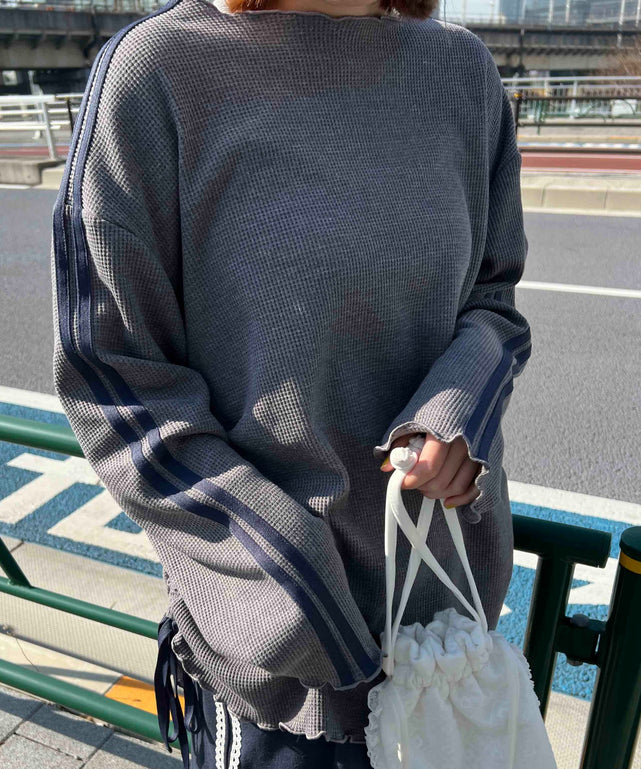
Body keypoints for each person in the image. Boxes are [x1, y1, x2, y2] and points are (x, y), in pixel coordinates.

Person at [50, 0, 530, 765]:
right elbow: (115, 374)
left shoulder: (461, 72)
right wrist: (292, 586)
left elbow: (492, 296)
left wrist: (456, 411)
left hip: (445, 640)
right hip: (275, 672)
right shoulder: (157, 72)